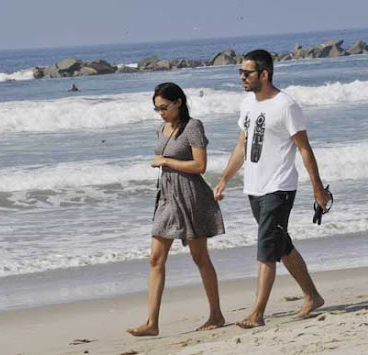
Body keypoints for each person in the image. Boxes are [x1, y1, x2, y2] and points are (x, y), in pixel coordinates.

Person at [213, 49, 329, 328]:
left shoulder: (286, 105)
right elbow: (242, 145)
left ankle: (257, 313)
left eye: (247, 72)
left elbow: (304, 149)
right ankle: (312, 296)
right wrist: (224, 179)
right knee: (280, 245)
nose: (242, 76)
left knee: (266, 248)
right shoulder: (247, 104)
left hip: (279, 187)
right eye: (240, 72)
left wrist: (317, 189)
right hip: (254, 187)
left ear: (264, 74)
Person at [127, 82, 226, 336]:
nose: (161, 112)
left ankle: (216, 314)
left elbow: (200, 166)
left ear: (178, 102)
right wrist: (164, 163)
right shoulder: (162, 128)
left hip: (191, 196)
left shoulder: (193, 127)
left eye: (164, 107)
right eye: (157, 108)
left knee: (200, 257)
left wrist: (165, 161)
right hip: (167, 197)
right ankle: (152, 323)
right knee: (155, 258)